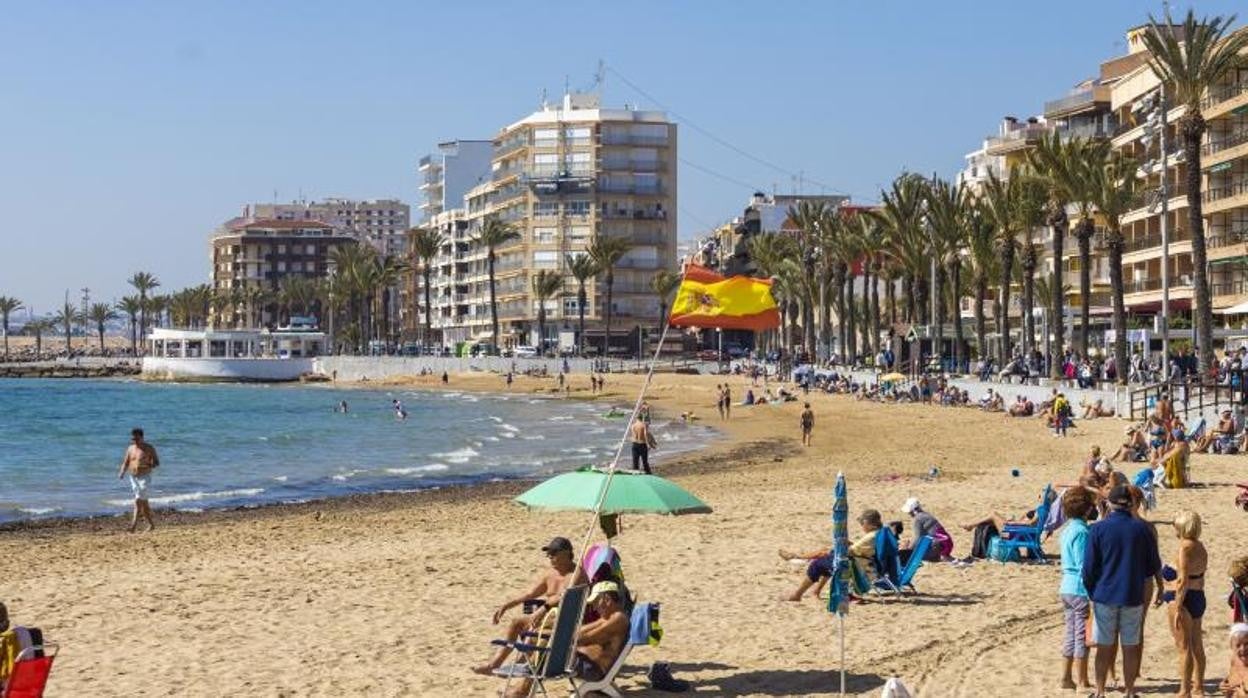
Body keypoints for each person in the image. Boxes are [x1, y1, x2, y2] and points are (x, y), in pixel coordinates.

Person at [1082, 484, 1162, 698]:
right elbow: (1152, 565)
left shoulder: (1098, 529)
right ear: (1130, 504)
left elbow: (1089, 568)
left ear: (1110, 504)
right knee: (1130, 645)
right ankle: (1129, 690)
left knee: (1104, 645)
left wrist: (1092, 592)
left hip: (1105, 594)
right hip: (1132, 594)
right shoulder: (1142, 529)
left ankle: (1100, 691)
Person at [471, 537, 587, 676]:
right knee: (516, 623)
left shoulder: (576, 574)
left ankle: (524, 661)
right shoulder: (550, 573)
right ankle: (494, 664)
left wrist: (539, 612)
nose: (550, 557)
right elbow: (530, 593)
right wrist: (507, 605)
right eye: (548, 553)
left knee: (526, 624)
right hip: (545, 618)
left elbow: (564, 596)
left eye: (554, 553)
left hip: (564, 622)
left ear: (567, 553)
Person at [779, 509, 882, 602]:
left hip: (856, 567)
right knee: (825, 554)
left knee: (817, 564)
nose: (861, 525)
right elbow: (861, 549)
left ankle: (797, 592)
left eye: (862, 523)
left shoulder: (870, 537)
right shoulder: (880, 534)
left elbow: (851, 551)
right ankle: (802, 564)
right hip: (866, 563)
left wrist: (843, 545)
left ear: (870, 524)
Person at [1164, 510, 1208, 698]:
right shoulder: (1200, 546)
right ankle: (1199, 686)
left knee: (1184, 647)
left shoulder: (1185, 548)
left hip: (1183, 598)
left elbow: (1182, 581)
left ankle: (1185, 690)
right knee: (1197, 644)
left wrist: (1179, 606)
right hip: (1198, 597)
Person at [1058, 486, 1097, 691]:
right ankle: (1082, 681)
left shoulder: (1067, 530)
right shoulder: (1082, 531)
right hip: (1079, 588)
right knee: (1082, 635)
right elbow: (1085, 565)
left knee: (1070, 633)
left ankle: (1066, 677)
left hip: (1066, 586)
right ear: (1086, 509)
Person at [117, 427, 159, 533]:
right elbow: (126, 462)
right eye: (133, 439)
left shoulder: (149, 448)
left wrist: (148, 464)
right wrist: (122, 472)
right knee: (143, 502)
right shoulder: (130, 448)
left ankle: (133, 526)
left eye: (136, 438)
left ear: (142, 437)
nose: (134, 441)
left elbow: (156, 462)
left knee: (137, 500)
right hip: (133, 477)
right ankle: (151, 525)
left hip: (145, 477)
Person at [898, 498, 952, 563]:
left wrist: (908, 550)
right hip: (947, 545)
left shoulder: (917, 519)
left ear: (913, 511)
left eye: (910, 512)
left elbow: (918, 538)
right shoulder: (926, 515)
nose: (909, 514)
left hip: (937, 547)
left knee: (908, 555)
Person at [1220, 624, 1248, 698]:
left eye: (1247, 644)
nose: (1243, 649)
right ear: (1232, 647)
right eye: (1238, 645)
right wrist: (1224, 686)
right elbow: (1231, 679)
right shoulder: (1234, 660)